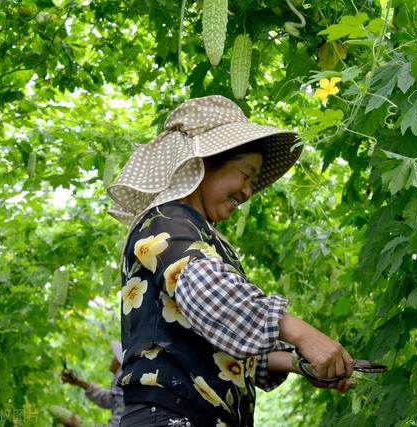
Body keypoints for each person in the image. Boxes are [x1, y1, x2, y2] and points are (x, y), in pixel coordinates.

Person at [107, 95, 354, 427]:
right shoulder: (164, 222)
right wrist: (304, 335)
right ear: (205, 163)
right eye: (245, 174)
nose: (248, 191)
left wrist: (299, 363)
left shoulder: (195, 233)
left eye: (254, 182)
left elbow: (217, 341)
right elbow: (210, 291)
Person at [59, 340, 125, 427]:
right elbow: (107, 398)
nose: (113, 359)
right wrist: (77, 382)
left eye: (115, 357)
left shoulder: (128, 395)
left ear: (120, 364)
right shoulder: (122, 392)